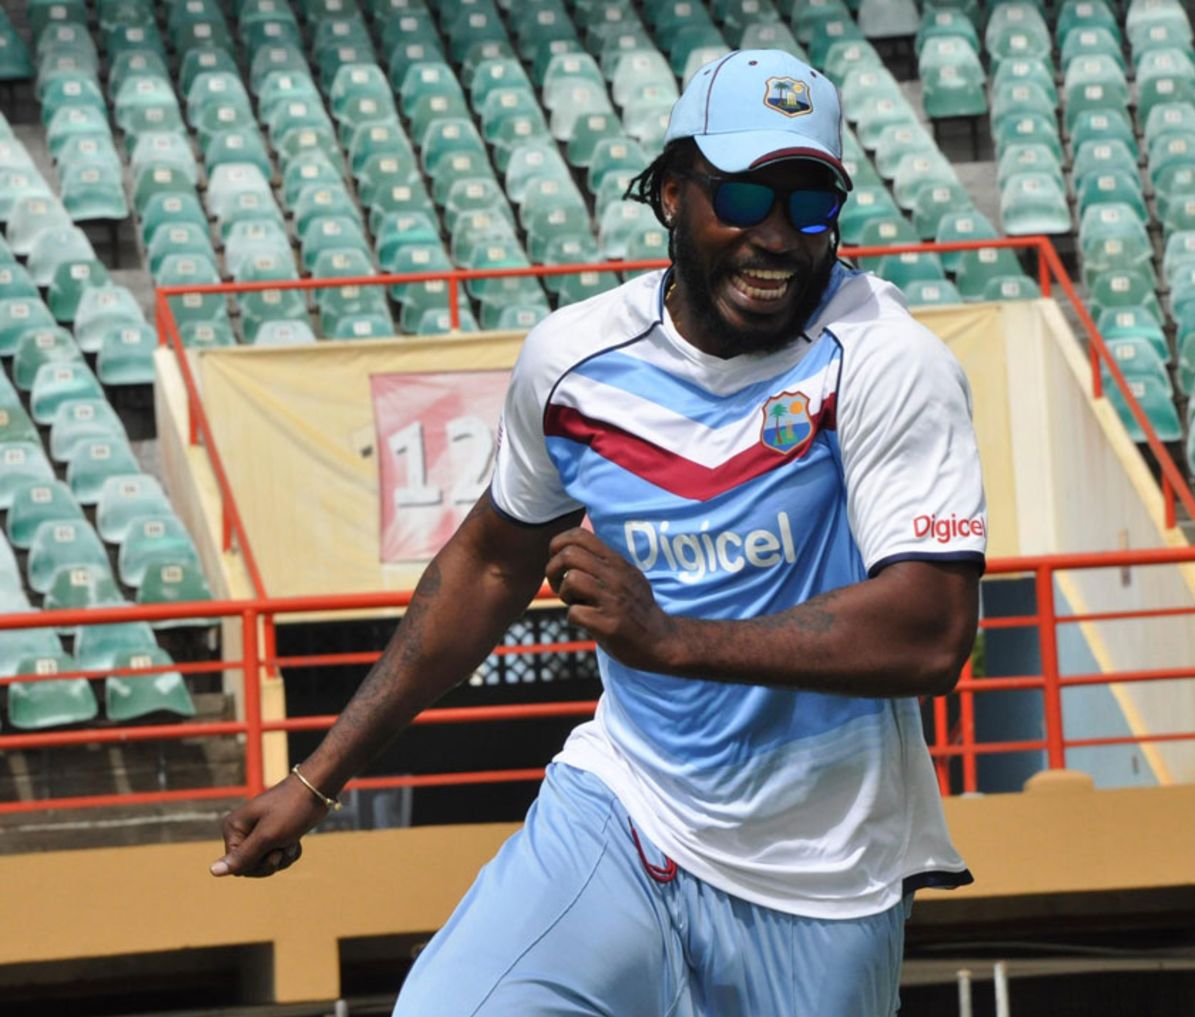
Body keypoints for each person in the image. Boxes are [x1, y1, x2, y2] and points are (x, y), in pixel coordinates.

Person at [211, 49, 987, 1016]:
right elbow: (493, 560)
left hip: (824, 880)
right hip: (624, 811)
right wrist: (318, 780)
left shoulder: (885, 361)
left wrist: (669, 640)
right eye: (743, 196)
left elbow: (932, 627)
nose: (777, 236)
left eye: (809, 202)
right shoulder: (575, 361)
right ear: (671, 193)